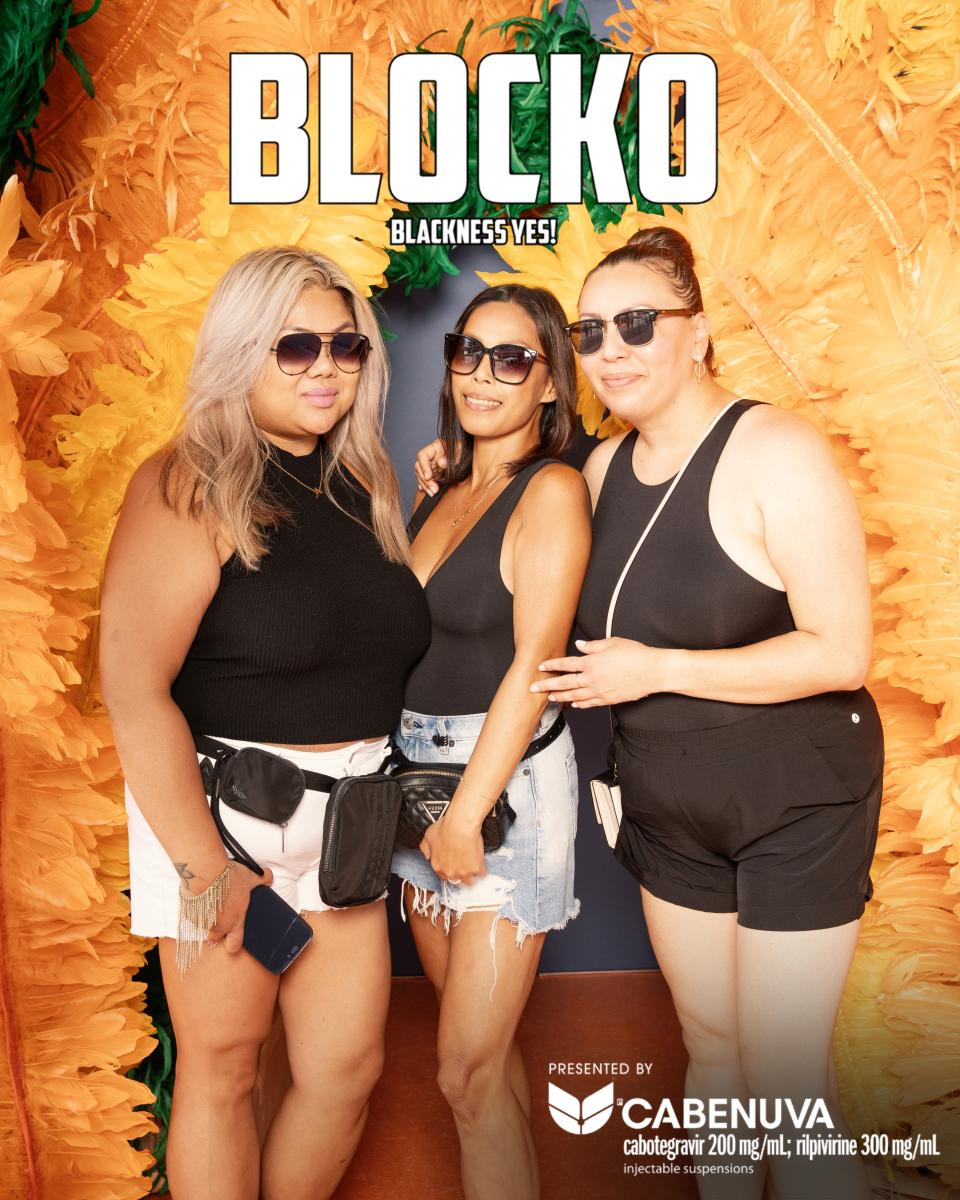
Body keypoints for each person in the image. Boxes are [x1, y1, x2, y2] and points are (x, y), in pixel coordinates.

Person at [528, 227, 883, 1199]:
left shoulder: (777, 450)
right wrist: (453, 466)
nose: (611, 350)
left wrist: (659, 667)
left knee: (783, 1073)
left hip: (795, 799)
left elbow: (842, 652)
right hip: (668, 802)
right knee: (713, 1042)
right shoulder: (599, 472)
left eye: (638, 323)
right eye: (590, 332)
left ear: (700, 333)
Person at [99, 247, 430, 1200]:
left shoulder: (362, 483)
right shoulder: (186, 483)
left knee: (344, 1073)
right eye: (294, 346)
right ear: (241, 349)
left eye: (345, 345)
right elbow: (132, 687)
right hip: (221, 821)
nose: (326, 366)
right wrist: (207, 871)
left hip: (349, 826)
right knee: (224, 1072)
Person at [394, 284, 591, 1200]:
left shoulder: (551, 491)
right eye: (468, 351)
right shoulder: (442, 486)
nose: (481, 374)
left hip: (498, 792)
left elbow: (533, 667)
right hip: (417, 782)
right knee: (485, 1063)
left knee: (464, 1072)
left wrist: (466, 816)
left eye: (512, 359)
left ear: (550, 383)